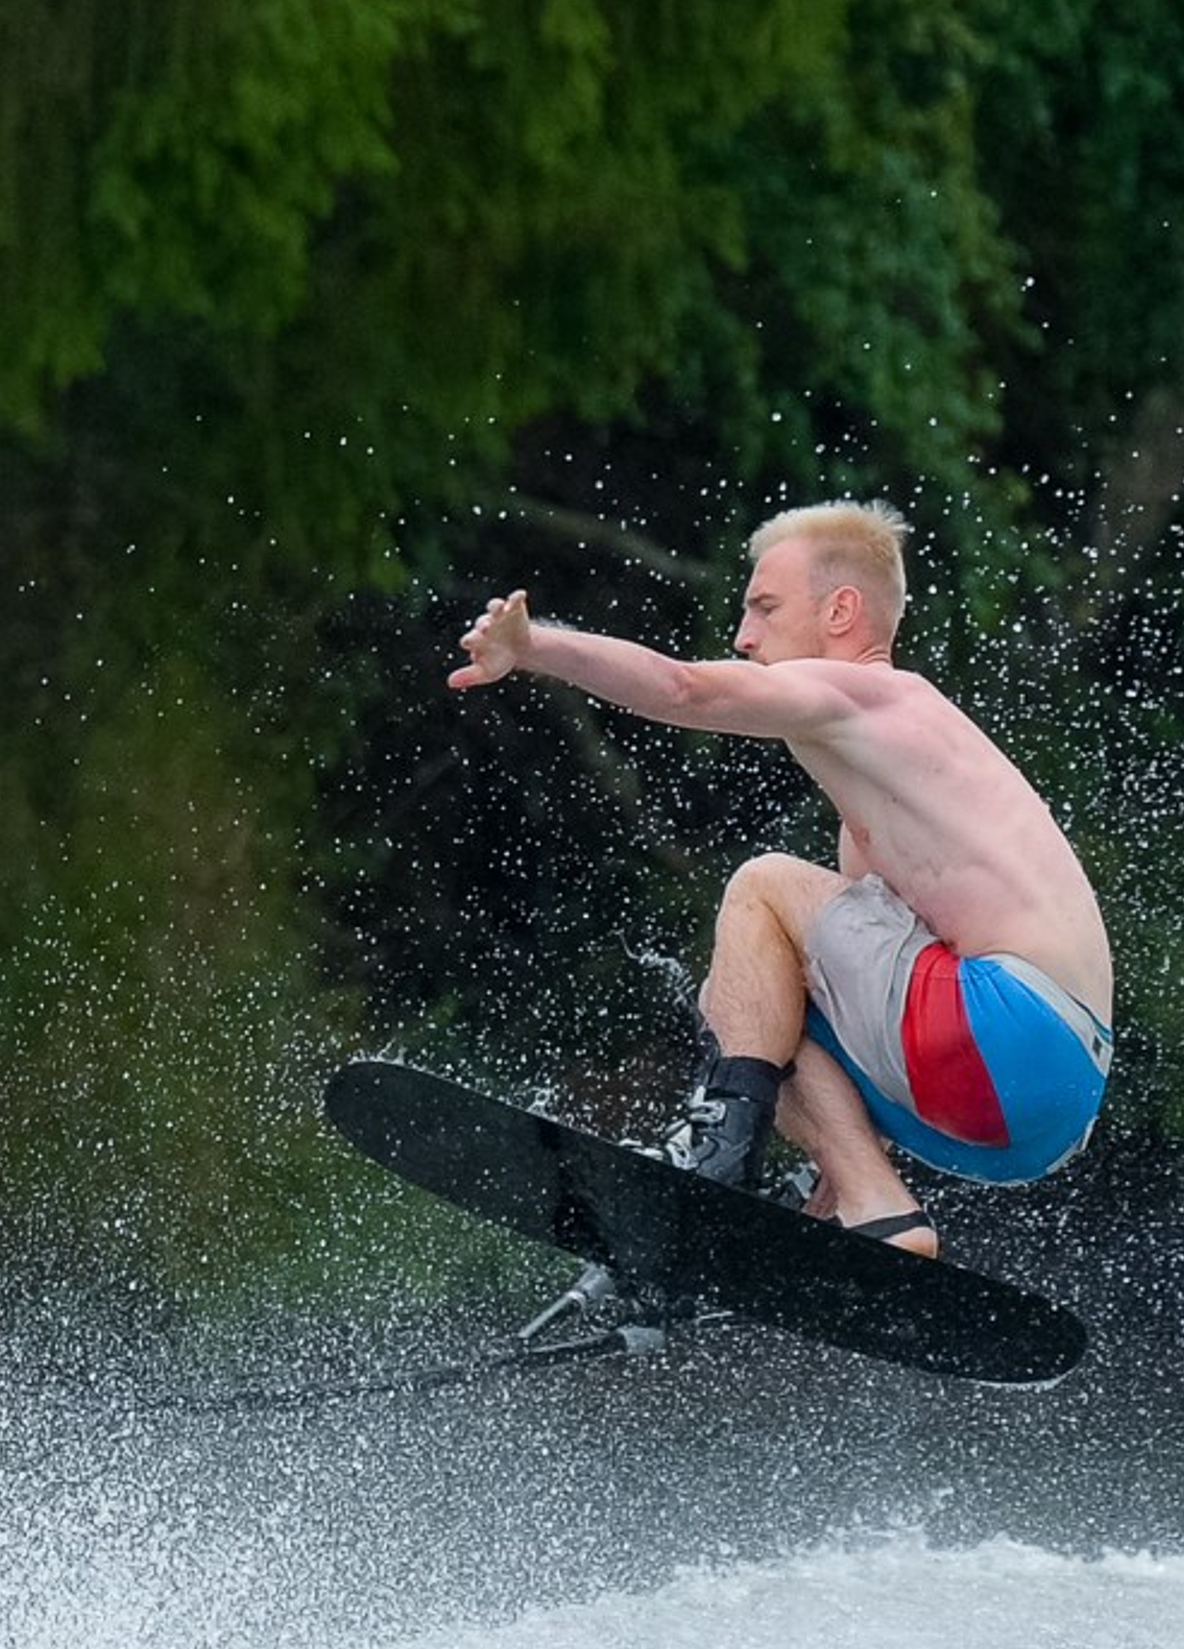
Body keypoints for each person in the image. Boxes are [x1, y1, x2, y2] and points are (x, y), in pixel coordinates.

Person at [449, 500, 1112, 1258]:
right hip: (1037, 1120)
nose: (743, 636)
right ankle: (872, 1205)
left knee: (764, 883)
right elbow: (876, 993)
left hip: (1012, 1034)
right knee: (746, 1003)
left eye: (764, 607)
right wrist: (839, 1138)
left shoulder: (879, 696)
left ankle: (716, 1164)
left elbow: (683, 690)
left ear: (841, 611)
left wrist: (535, 647)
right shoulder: (880, 790)